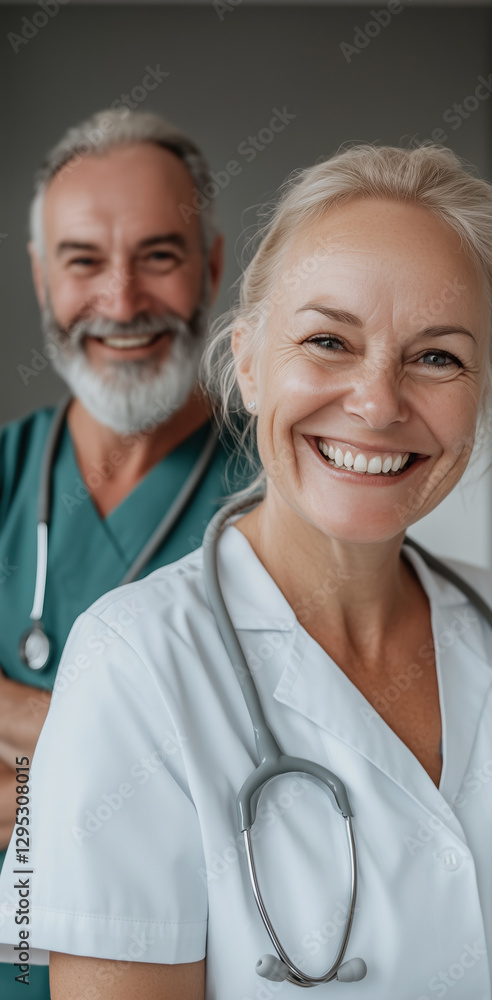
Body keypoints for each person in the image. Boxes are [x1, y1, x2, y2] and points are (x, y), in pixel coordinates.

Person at [0, 142, 492, 1000]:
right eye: (329, 339)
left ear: (481, 390)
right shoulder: (132, 662)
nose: (378, 402)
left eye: (438, 355)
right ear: (250, 365)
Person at [0, 109, 252, 999]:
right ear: (41, 277)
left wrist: (46, 752)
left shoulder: (291, 494)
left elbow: (303, 772)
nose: (119, 301)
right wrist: (150, 766)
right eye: (82, 261)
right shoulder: (6, 474)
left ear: (212, 266)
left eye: (158, 255)